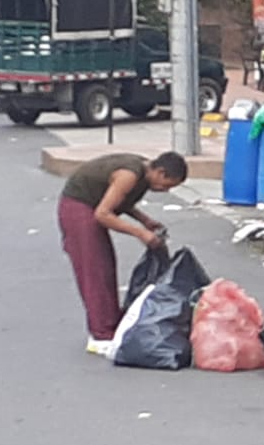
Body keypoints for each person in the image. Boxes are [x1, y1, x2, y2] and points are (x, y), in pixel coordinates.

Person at [57, 152, 188, 355]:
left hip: (92, 206)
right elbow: (103, 214)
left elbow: (122, 200)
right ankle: (100, 334)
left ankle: (111, 323)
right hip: (79, 208)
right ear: (160, 172)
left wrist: (145, 220)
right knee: (94, 270)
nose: (164, 190)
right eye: (167, 184)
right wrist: (140, 233)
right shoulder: (129, 174)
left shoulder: (144, 174)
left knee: (106, 267)